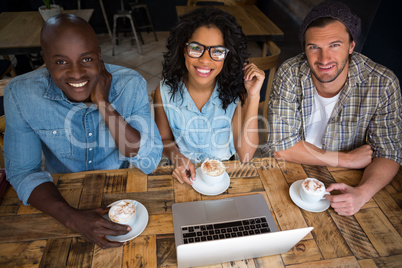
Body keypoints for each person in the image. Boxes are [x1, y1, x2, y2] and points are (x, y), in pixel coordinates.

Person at [4, 14, 162, 248]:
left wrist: (104, 104)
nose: (76, 73)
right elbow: (23, 172)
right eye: (60, 62)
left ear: (99, 55)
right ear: (45, 60)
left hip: (123, 194)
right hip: (59, 198)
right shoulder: (21, 94)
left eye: (86, 59)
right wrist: (72, 218)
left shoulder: (130, 84)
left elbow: (149, 161)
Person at [264, 0, 401, 216]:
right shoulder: (290, 73)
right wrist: (346, 159)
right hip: (290, 176)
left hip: (347, 184)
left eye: (335, 45)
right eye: (314, 47)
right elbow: (282, 148)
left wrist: (362, 193)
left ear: (352, 46)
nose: (324, 58)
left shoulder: (383, 83)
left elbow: (389, 153)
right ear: (304, 49)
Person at [153, 8, 265, 185]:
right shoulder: (164, 92)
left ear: (227, 56)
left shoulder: (237, 92)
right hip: (183, 174)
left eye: (218, 51)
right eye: (196, 48)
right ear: (183, 49)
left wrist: (253, 96)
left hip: (224, 175)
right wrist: (176, 156)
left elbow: (245, 155)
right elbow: (164, 139)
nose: (205, 60)